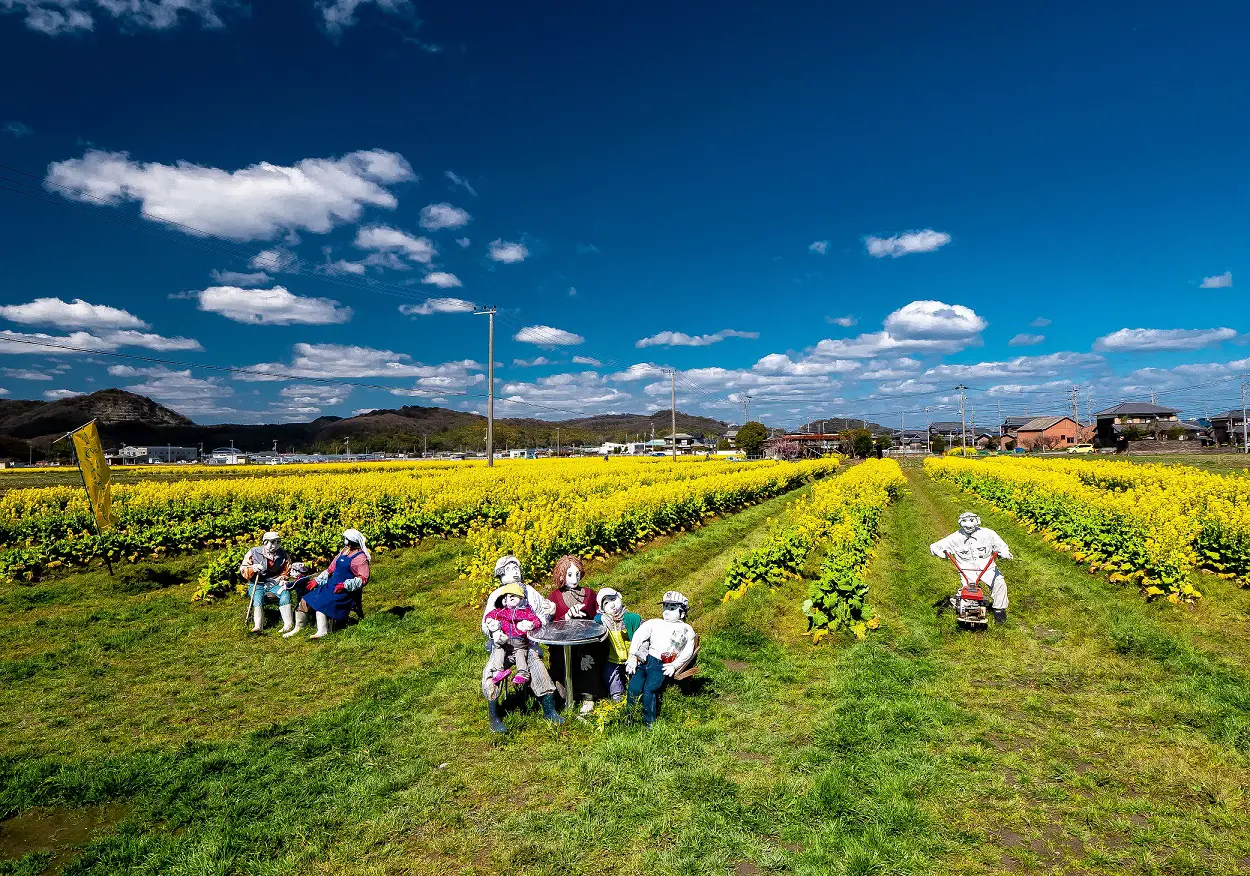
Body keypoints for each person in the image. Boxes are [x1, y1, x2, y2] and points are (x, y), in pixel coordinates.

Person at [481, 555, 564, 731]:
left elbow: (542, 614)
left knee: (538, 668)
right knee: (491, 672)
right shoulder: (496, 595)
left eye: (516, 568)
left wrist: (548, 612)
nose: (515, 572)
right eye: (509, 569)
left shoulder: (530, 592)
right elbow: (486, 621)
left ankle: (549, 710)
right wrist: (494, 631)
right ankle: (494, 716)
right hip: (501, 647)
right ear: (501, 574)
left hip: (526, 645)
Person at [626, 590, 696, 728]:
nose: (667, 611)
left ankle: (650, 722)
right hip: (647, 659)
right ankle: (630, 717)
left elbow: (688, 651)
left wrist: (674, 665)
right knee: (633, 687)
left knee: (650, 689)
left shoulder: (686, 629)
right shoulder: (654, 623)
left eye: (672, 608)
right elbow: (638, 636)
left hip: (662, 664)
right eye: (665, 607)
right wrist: (632, 656)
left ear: (682, 613)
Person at [929, 511, 1014, 623]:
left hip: (988, 567)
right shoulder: (954, 538)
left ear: (977, 521)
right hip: (966, 569)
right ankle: (959, 605)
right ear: (960, 523)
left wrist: (1004, 553)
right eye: (964, 521)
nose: (968, 525)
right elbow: (934, 547)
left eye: (971, 521)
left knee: (999, 583)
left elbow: (1002, 546)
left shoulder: (989, 534)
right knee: (968, 593)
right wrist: (942, 553)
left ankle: (999, 610)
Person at [293, 529, 370, 639]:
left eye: (346, 539)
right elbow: (330, 569)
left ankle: (322, 631)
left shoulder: (360, 558)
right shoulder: (344, 551)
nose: (344, 541)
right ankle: (298, 628)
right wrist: (317, 580)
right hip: (330, 585)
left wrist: (345, 585)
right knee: (306, 599)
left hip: (344, 591)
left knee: (322, 603)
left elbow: (363, 578)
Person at [547, 554, 601, 712]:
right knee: (562, 665)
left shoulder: (589, 594)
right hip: (562, 643)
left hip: (586, 642)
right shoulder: (555, 596)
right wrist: (567, 616)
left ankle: (588, 696)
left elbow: (597, 616)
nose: (574, 579)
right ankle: (565, 694)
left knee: (588, 663)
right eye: (569, 575)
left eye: (577, 574)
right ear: (561, 575)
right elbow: (550, 624)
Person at [483, 582, 543, 696]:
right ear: (504, 600)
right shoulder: (500, 611)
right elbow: (489, 616)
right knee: (498, 648)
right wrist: (490, 622)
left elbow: (537, 621)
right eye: (509, 597)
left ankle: (522, 673)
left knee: (520, 653)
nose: (513, 600)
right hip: (504, 640)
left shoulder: (525, 612)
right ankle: (498, 670)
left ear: (521, 599)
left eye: (516, 597)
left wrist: (530, 625)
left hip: (519, 641)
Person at [594, 587, 642, 702]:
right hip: (613, 657)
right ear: (602, 609)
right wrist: (601, 616)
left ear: (619, 597)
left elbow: (642, 635)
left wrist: (636, 656)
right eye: (606, 603)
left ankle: (635, 695)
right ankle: (616, 695)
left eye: (613, 599)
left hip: (632, 657)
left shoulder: (631, 618)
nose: (612, 605)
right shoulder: (605, 620)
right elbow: (596, 619)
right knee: (610, 674)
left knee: (636, 675)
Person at [240, 531, 292, 635]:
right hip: (257, 582)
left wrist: (282, 579)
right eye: (272, 542)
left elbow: (287, 570)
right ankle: (258, 626)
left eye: (277, 542)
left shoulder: (283, 554)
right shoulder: (253, 552)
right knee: (257, 597)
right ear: (265, 542)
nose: (275, 545)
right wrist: (253, 568)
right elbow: (243, 570)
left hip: (274, 583)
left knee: (285, 593)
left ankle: (288, 624)